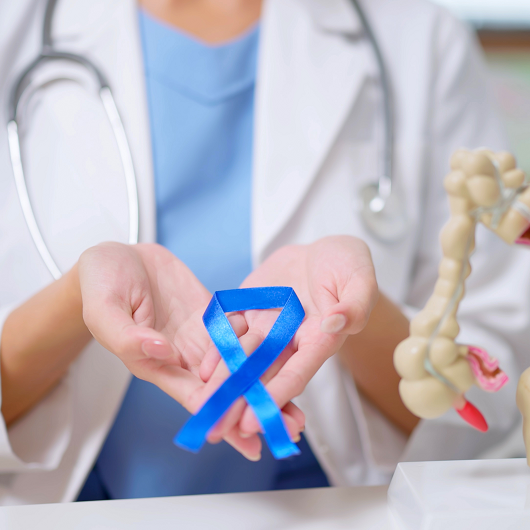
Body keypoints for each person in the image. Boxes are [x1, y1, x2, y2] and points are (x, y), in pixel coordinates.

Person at [1, 0, 529, 505]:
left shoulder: (422, 41)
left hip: (333, 510)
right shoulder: (14, 28)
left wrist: (351, 318)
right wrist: (76, 300)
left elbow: (491, 404)